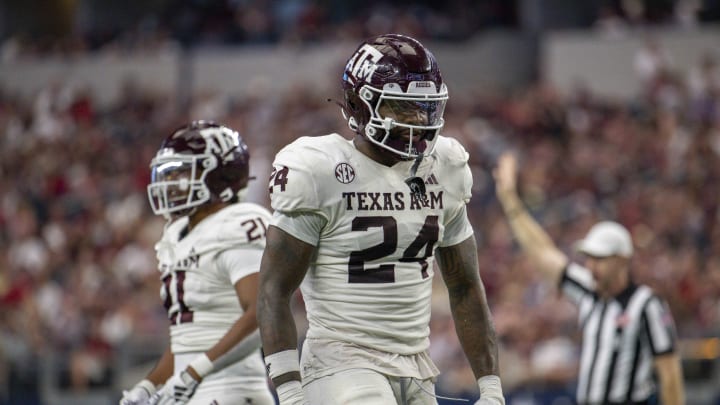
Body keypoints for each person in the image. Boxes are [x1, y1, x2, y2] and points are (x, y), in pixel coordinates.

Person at [256, 34, 504, 405]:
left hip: (418, 366)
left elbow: (466, 286)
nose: (417, 121)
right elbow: (274, 290)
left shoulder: (446, 168)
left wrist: (491, 388)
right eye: (401, 109)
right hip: (341, 362)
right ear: (358, 104)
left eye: (424, 108)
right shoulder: (320, 170)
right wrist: (290, 391)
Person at [493, 152, 685, 405]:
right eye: (589, 257)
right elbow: (543, 253)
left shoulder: (646, 303)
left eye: (601, 258)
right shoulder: (588, 290)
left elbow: (670, 374)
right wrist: (510, 200)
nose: (592, 266)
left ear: (622, 260)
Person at [119, 121, 275, 405]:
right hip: (189, 390)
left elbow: (263, 314)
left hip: (231, 390)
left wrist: (194, 373)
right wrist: (147, 386)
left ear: (219, 175)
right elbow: (187, 338)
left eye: (181, 171)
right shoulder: (177, 235)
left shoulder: (239, 222)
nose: (169, 182)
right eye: (168, 172)